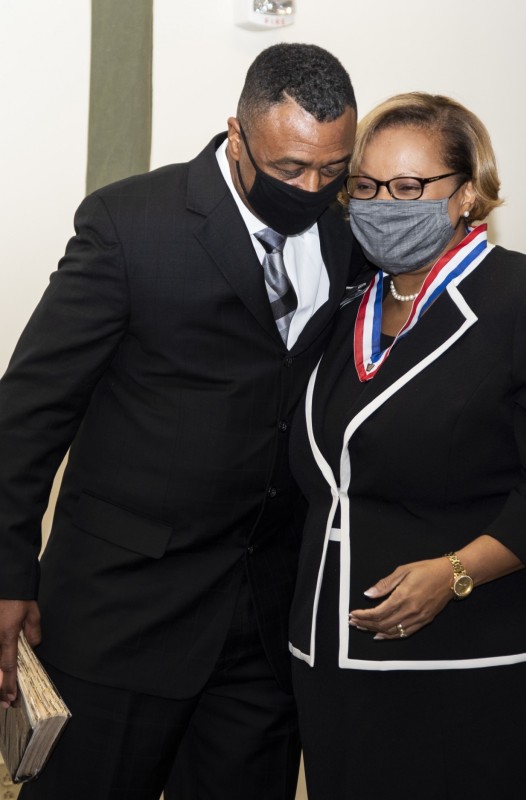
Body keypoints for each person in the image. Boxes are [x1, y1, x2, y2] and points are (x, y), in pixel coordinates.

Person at [0, 43, 360, 800]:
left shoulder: (344, 233)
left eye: (332, 170)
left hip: (265, 628)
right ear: (237, 136)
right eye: (291, 169)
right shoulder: (130, 225)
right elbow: (28, 414)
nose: (313, 188)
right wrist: (6, 574)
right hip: (121, 617)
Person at [288, 92, 526, 800]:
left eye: (410, 188)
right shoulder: (343, 309)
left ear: (468, 193)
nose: (385, 204)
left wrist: (456, 572)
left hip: (491, 668)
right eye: (368, 187)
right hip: (342, 670)